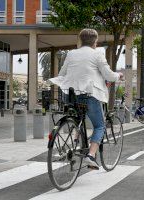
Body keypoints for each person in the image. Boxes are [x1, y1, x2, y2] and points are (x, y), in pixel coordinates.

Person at [49, 29, 124, 169]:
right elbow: (109, 75)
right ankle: (90, 155)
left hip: (70, 95)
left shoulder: (71, 54)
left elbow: (62, 73)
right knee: (100, 126)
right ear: (95, 42)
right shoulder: (97, 54)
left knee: (79, 118)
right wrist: (118, 75)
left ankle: (77, 141)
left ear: (81, 41)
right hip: (90, 95)